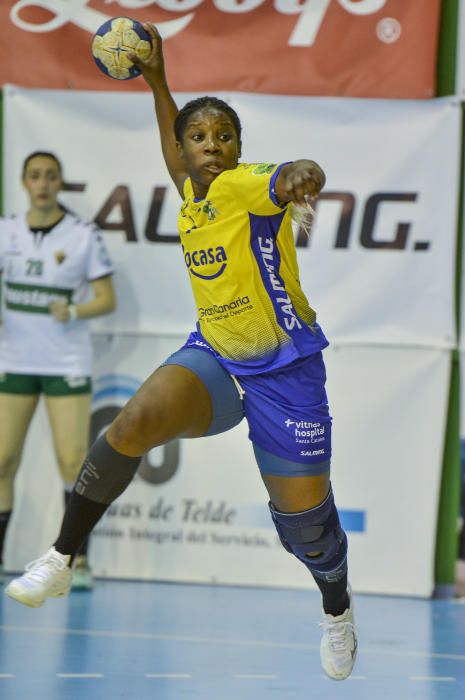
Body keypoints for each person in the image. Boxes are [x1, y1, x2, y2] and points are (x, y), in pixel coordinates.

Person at [5, 27, 357, 681]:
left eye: (223, 136)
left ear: (238, 148)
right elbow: (172, 149)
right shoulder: (191, 193)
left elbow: (286, 176)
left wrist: (301, 177)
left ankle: (336, 611)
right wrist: (156, 77)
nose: (210, 146)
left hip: (286, 372)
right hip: (216, 357)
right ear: (184, 150)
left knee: (304, 528)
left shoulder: (244, 186)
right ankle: (60, 557)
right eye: (199, 138)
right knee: (132, 423)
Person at [0, 151, 116, 590]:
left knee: (72, 460)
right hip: (13, 360)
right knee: (2, 460)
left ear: (60, 183)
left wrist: (73, 308)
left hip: (65, 361)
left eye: (50, 176)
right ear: (24, 182)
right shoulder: (6, 230)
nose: (43, 183)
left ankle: (74, 561)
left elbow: (107, 299)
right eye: (35, 176)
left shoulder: (83, 236)